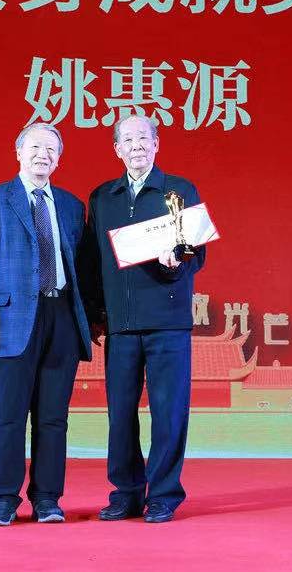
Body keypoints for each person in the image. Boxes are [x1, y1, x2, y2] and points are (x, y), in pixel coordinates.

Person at [0, 123, 92, 526]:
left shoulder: (71, 206)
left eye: (51, 149)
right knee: (8, 417)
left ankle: (48, 499)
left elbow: (83, 268)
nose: (42, 155)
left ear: (59, 159)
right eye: (35, 147)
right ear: (18, 152)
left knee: (53, 418)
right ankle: (2, 500)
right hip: (10, 322)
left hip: (61, 318)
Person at [82, 115, 206, 524]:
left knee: (169, 412)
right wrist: (97, 315)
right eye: (128, 140)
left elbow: (197, 253)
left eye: (143, 138)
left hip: (167, 322)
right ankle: (126, 493)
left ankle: (164, 495)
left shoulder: (180, 190)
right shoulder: (103, 197)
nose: (136, 146)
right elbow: (93, 260)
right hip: (121, 325)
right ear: (117, 149)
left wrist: (176, 262)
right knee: (120, 413)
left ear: (156, 144)